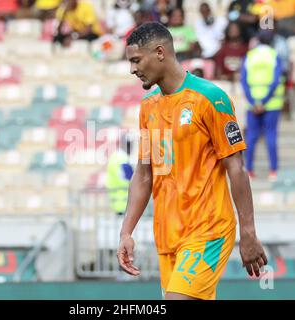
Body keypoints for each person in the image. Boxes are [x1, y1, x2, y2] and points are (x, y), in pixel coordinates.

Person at [117, 22, 267, 300]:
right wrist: (126, 232)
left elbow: (235, 166)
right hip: (168, 237)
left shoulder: (210, 98)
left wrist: (248, 231)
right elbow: (144, 173)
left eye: (136, 60)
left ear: (160, 52)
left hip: (208, 230)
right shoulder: (148, 107)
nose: (132, 69)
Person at [240, 29, 284, 181]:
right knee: (271, 136)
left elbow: (244, 81)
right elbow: (276, 80)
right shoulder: (274, 56)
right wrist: (264, 102)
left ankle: (249, 170)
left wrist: (254, 102)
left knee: (251, 137)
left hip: (252, 104)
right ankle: (273, 171)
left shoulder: (250, 56)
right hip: (271, 103)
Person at [106, 135, 134, 216]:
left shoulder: (115, 156)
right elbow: (130, 177)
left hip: (117, 200)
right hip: (123, 200)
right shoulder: (122, 158)